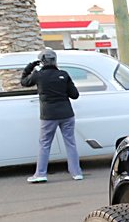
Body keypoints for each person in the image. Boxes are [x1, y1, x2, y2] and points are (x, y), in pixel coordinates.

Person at [20, 49, 83, 183]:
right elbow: (75, 95)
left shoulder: (38, 75)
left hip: (48, 115)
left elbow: (24, 81)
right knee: (70, 143)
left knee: (45, 144)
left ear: (42, 62)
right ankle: (76, 172)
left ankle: (41, 174)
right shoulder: (63, 74)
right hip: (67, 114)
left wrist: (31, 66)